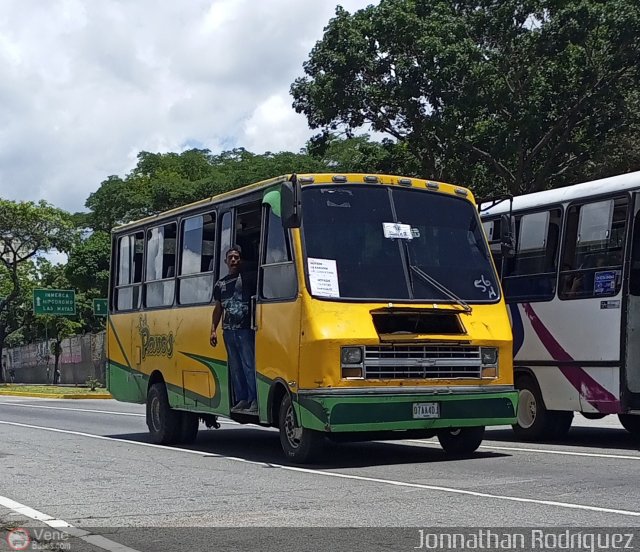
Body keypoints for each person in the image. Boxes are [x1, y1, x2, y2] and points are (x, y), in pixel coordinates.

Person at [210, 246, 258, 413]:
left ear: (241, 260)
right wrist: (213, 329)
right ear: (225, 261)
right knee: (236, 367)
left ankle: (254, 400)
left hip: (245, 329)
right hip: (228, 330)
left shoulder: (249, 279)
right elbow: (218, 309)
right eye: (230, 258)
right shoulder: (220, 284)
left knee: (249, 364)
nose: (233, 260)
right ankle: (242, 398)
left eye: (236, 257)